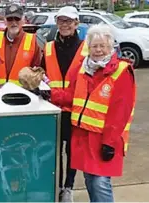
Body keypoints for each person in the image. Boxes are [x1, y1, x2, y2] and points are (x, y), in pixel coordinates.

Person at [52, 24, 136, 202]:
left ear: (110, 47)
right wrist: (47, 93)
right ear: (88, 47)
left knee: (100, 182)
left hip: (103, 140)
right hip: (83, 138)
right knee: (91, 180)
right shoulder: (82, 69)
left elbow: (120, 111)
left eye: (102, 46)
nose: (98, 50)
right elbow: (70, 96)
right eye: (94, 46)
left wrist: (110, 143)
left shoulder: (121, 71)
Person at [41, 6, 88, 202]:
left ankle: (68, 187)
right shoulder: (49, 46)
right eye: (61, 21)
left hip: (75, 109)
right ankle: (57, 185)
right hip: (53, 109)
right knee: (54, 151)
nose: (65, 25)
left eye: (68, 21)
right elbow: (42, 73)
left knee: (72, 151)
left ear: (76, 23)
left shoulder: (85, 48)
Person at [0, 3, 42, 87]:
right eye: (10, 19)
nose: (13, 22)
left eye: (17, 19)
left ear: (23, 20)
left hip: (21, 95)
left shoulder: (32, 41)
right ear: (5, 21)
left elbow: (38, 72)